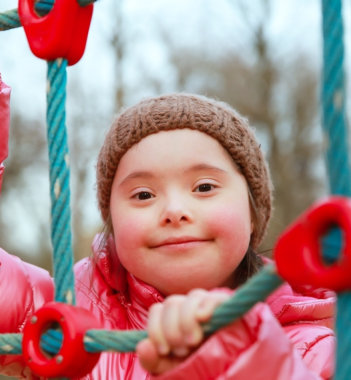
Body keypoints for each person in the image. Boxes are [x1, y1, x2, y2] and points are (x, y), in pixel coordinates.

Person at [0, 91, 335, 379]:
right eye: (144, 195)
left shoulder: (310, 346)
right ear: (113, 223)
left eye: (204, 187)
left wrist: (249, 359)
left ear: (252, 214)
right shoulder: (66, 309)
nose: (174, 210)